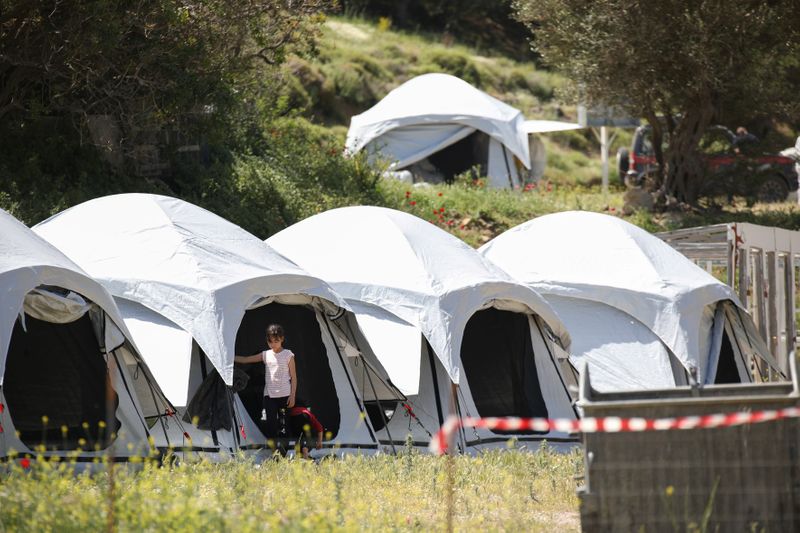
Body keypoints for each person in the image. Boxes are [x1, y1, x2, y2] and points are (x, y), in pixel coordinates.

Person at [235, 324, 296, 443]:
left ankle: (283, 453)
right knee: (271, 425)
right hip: (269, 396)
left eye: (276, 341)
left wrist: (292, 395)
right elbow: (246, 359)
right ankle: (275, 453)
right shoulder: (266, 354)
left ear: (282, 339)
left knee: (284, 426)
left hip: (285, 395)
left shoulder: (288, 355)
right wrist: (229, 357)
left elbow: (294, 377)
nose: (273, 344)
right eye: (270, 341)